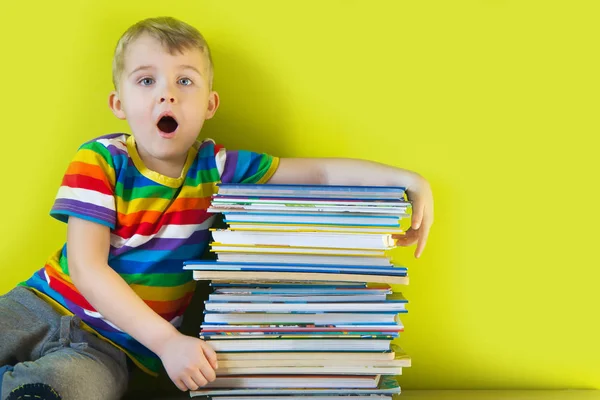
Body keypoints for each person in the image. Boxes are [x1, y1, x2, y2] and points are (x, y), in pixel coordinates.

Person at [0, 16, 433, 400]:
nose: (166, 96)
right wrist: (169, 341)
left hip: (110, 350)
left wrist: (409, 180)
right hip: (39, 305)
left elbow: (318, 174)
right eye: (146, 81)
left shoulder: (217, 167)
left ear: (209, 104)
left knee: (54, 393)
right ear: (119, 104)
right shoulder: (100, 159)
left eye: (184, 81)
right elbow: (87, 268)